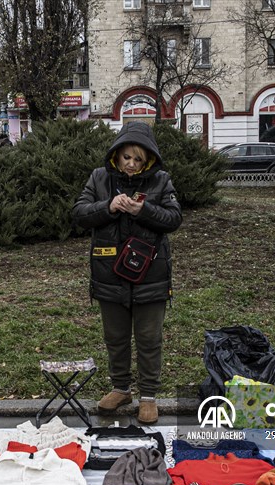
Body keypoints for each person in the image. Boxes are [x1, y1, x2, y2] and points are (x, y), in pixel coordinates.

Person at [70, 122, 182, 424]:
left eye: (138, 159)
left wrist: (140, 210)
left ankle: (148, 396)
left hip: (151, 276)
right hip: (108, 274)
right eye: (126, 158)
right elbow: (80, 213)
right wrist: (109, 206)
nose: (131, 164)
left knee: (149, 338)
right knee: (115, 337)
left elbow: (174, 218)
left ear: (147, 160)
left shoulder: (161, 181)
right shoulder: (100, 178)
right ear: (116, 155)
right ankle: (121, 388)